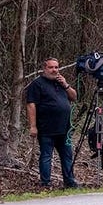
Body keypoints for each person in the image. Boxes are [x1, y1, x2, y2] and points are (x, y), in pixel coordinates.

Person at [26, 58, 78, 189]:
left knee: (67, 156)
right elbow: (31, 105)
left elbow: (74, 97)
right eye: (51, 67)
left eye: (56, 67)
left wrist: (65, 84)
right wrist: (33, 126)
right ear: (44, 68)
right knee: (46, 156)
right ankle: (45, 183)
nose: (54, 70)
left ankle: (70, 182)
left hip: (64, 128)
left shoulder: (61, 83)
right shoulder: (37, 84)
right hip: (46, 128)